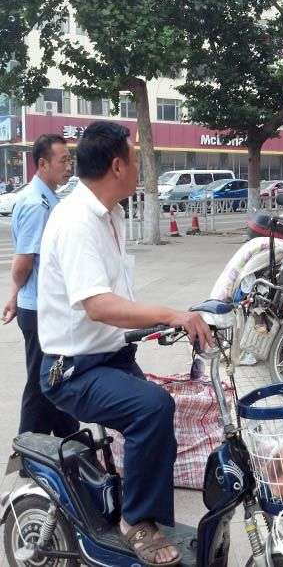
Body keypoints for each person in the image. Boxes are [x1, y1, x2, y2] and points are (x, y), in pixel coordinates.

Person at [38, 121, 213, 567]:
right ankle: (138, 523)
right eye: (135, 157)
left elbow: (114, 301)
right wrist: (169, 313)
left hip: (108, 355)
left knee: (160, 414)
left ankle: (148, 518)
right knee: (151, 408)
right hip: (73, 369)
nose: (139, 165)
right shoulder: (76, 221)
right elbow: (98, 305)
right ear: (117, 165)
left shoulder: (112, 214)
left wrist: (178, 320)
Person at [2, 134, 79, 438]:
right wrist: (16, 295)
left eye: (70, 160)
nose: (69, 166)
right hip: (38, 310)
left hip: (41, 305)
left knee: (58, 378)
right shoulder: (37, 205)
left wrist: (14, 296)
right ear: (43, 163)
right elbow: (23, 263)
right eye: (63, 161)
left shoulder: (48, 198)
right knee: (40, 381)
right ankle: (29, 453)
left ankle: (66, 442)